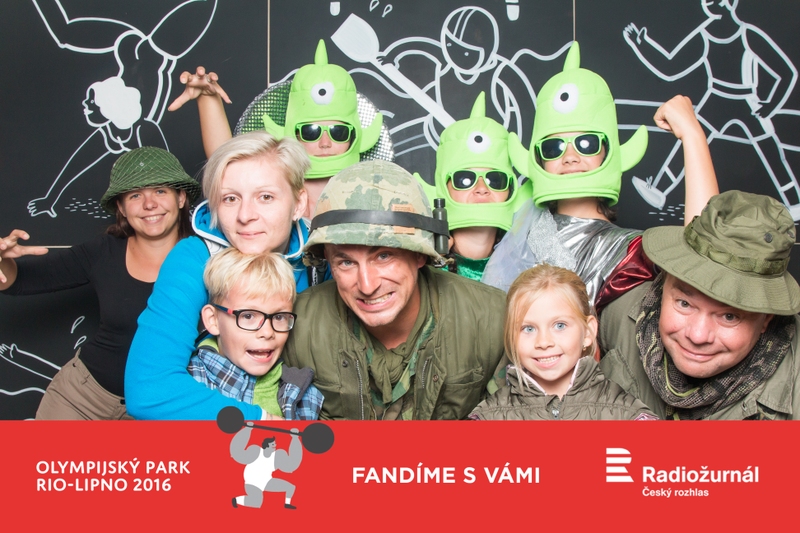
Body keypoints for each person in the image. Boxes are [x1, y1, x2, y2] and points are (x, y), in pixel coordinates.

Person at [482, 41, 719, 310]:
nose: (570, 156)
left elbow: (704, 262)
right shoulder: (519, 235)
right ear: (537, 158)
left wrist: (692, 135)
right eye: (553, 147)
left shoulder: (632, 251)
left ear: (609, 150)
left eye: (587, 144)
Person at [279, 160, 507, 420]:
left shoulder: (493, 320)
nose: (367, 286)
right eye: (346, 262)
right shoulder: (296, 326)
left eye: (384, 256)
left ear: (420, 255)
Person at [125, 131, 315, 420]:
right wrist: (262, 422)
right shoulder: (194, 258)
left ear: (298, 204)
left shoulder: (321, 259)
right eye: (230, 198)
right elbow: (149, 389)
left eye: (265, 197)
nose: (245, 215)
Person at [1, 147, 200, 419]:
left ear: (181, 198)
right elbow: (18, 281)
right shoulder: (103, 252)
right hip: (82, 399)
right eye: (135, 195)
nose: (149, 204)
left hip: (156, 410)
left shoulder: (207, 259)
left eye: (160, 191)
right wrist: (2, 262)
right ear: (121, 207)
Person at [599, 190, 800, 420]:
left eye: (729, 316)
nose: (697, 336)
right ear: (664, 283)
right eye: (684, 303)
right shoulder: (616, 316)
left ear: (766, 319)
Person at [168, 39, 385, 220]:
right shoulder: (272, 187)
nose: (325, 143)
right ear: (293, 134)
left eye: (339, 132)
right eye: (311, 132)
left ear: (354, 136)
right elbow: (225, 164)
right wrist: (208, 100)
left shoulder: (375, 197)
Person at [470, 264, 657, 420]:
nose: (544, 342)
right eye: (528, 329)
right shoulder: (487, 418)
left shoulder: (629, 416)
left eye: (559, 325)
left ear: (588, 332)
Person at [189, 248, 323, 421]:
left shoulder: (305, 394)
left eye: (279, 317)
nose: (267, 332)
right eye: (248, 316)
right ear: (213, 320)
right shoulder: (188, 383)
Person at [415, 91, 532, 280]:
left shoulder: (528, 261)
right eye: (464, 180)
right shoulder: (420, 265)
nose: (482, 188)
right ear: (443, 187)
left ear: (510, 189)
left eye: (495, 180)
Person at [230, 425, 302, 510]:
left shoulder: (276, 457)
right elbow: (238, 452)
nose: (275, 445)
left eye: (275, 444)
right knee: (257, 503)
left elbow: (292, 464)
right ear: (267, 445)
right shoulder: (256, 452)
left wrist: (295, 438)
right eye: (273, 444)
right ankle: (236, 500)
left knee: (290, 487)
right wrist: (247, 430)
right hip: (253, 481)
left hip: (266, 481)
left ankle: (287, 504)